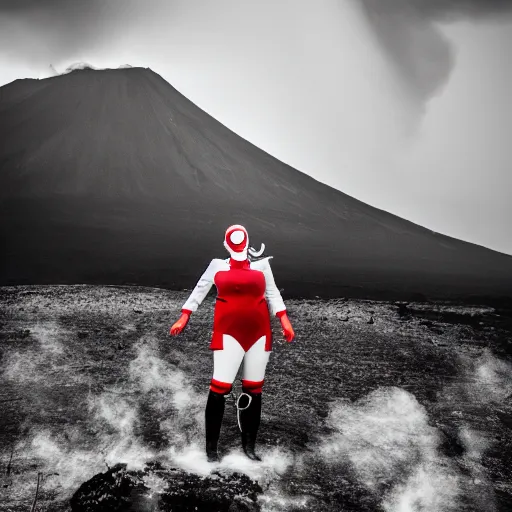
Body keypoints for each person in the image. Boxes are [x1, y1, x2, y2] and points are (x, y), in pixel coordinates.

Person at [170, 224, 295, 462]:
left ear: (247, 241)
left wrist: (284, 320)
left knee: (254, 389)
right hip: (228, 333)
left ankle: (249, 446)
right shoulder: (218, 265)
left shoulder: (262, 265)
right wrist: (185, 315)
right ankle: (211, 449)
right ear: (228, 243)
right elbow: (201, 289)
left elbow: (273, 293)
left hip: (259, 334)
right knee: (219, 387)